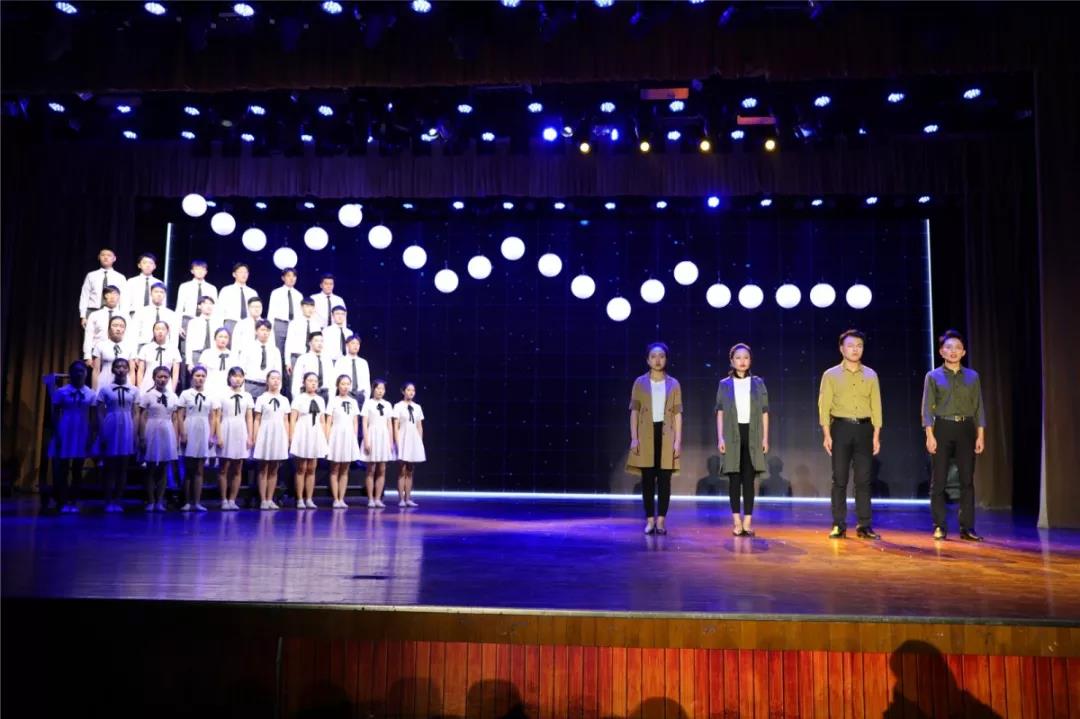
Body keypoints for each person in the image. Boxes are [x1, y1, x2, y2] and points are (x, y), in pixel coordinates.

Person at [921, 329, 987, 541]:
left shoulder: (972, 376)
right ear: (941, 351)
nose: (953, 351)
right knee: (939, 480)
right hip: (942, 427)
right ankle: (939, 526)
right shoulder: (933, 376)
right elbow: (927, 409)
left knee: (967, 480)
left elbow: (978, 407)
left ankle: (967, 528)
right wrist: (930, 435)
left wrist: (980, 434)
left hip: (966, 428)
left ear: (964, 352)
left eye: (958, 347)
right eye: (948, 347)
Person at [819, 329, 883, 539]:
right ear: (841, 349)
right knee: (839, 479)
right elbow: (824, 406)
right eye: (850, 346)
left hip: (864, 429)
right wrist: (827, 434)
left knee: (863, 480)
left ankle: (864, 525)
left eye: (859, 346)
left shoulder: (871, 375)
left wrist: (876, 435)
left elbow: (876, 407)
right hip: (841, 428)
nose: (855, 349)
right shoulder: (830, 375)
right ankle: (839, 524)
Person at [627, 343, 683, 535]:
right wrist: (634, 438)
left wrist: (677, 441)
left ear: (666, 359)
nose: (657, 360)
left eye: (661, 356)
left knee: (665, 480)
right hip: (646, 435)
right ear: (647, 360)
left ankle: (661, 521)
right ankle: (650, 520)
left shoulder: (674, 384)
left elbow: (677, 414)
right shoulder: (639, 382)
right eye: (653, 356)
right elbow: (634, 412)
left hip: (666, 435)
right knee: (648, 480)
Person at [715, 343, 769, 537]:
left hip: (752, 434)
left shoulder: (758, 383)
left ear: (750, 360)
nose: (742, 361)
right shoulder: (724, 384)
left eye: (746, 357)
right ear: (732, 361)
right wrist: (720, 437)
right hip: (732, 434)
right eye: (738, 358)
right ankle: (736, 521)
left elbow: (764, 412)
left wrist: (765, 438)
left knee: (749, 479)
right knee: (734, 479)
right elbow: (720, 412)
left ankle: (748, 522)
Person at [49, 360, 96, 513]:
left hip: (82, 429)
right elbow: (54, 414)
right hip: (65, 428)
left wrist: (91, 436)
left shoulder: (91, 393)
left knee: (77, 467)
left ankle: (74, 500)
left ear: (86, 373)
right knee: (62, 467)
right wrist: (57, 433)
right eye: (75, 370)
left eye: (82, 371)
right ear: (70, 373)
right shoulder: (61, 392)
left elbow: (93, 417)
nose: (79, 373)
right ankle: (62, 500)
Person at [93, 357, 139, 511]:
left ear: (128, 370)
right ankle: (108, 500)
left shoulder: (134, 390)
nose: (121, 369)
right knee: (110, 466)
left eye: (124, 367)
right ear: (113, 369)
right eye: (118, 367)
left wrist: (134, 433)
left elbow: (136, 413)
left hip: (126, 425)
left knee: (123, 466)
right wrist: (102, 431)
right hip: (111, 423)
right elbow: (99, 412)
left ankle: (118, 499)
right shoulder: (105, 389)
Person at [137, 366, 181, 512]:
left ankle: (159, 501)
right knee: (150, 467)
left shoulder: (173, 396)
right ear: (154, 378)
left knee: (163, 468)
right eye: (160, 377)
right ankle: (150, 500)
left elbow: (175, 418)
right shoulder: (148, 395)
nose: (162, 380)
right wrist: (142, 436)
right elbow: (143, 417)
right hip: (152, 429)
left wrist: (175, 437)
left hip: (167, 431)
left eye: (165, 377)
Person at [177, 365, 217, 512]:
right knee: (189, 468)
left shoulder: (210, 395)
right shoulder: (185, 394)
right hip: (190, 427)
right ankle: (187, 501)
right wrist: (183, 433)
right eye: (197, 375)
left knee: (200, 468)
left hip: (204, 429)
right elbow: (180, 415)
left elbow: (212, 417)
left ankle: (197, 502)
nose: (200, 378)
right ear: (192, 377)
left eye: (202, 376)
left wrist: (211, 435)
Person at [252, 370, 291, 510]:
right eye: (273, 378)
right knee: (264, 467)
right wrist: (255, 436)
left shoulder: (284, 400)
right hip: (265, 432)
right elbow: (257, 419)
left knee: (274, 468)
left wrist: (288, 438)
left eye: (278, 378)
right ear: (267, 380)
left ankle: (270, 499)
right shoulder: (262, 398)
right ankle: (263, 499)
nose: (275, 381)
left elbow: (286, 420)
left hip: (279, 433)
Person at [217, 367, 254, 510]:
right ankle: (223, 500)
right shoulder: (222, 394)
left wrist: (250, 436)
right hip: (226, 427)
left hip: (241, 429)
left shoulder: (247, 396)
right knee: (224, 467)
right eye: (234, 376)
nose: (237, 379)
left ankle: (232, 499)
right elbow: (217, 417)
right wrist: (218, 435)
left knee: (238, 467)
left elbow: (249, 417)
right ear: (229, 377)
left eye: (240, 376)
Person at [290, 372, 328, 509]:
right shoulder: (299, 398)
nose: (313, 383)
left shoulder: (320, 400)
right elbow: (293, 419)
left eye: (315, 381)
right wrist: (292, 436)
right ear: (304, 382)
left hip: (316, 433)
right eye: (310, 380)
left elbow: (322, 420)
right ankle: (300, 498)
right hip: (302, 433)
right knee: (301, 468)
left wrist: (324, 437)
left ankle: (309, 499)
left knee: (312, 468)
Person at [325, 375, 362, 508]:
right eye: (342, 384)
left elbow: (355, 422)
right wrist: (327, 439)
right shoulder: (333, 400)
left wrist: (354, 437)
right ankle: (335, 498)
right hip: (336, 435)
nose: (345, 387)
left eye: (347, 384)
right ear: (338, 385)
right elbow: (328, 422)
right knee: (335, 468)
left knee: (345, 469)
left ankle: (342, 498)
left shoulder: (353, 402)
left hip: (349, 436)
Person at [360, 380, 396, 509]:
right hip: (372, 435)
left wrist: (391, 442)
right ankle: (370, 498)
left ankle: (378, 498)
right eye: (378, 388)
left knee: (382, 469)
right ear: (373, 389)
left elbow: (389, 424)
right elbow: (364, 423)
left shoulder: (387, 405)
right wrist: (366, 440)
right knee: (371, 469)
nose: (380, 391)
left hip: (384, 437)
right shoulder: (368, 403)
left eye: (383, 389)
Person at [393, 381, 425, 509]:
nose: (411, 392)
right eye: (408, 390)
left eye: (413, 390)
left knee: (410, 471)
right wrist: (397, 442)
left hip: (413, 440)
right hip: (403, 438)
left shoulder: (417, 407)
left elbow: (419, 426)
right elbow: (396, 426)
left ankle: (408, 498)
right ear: (403, 391)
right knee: (402, 470)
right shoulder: (398, 406)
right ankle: (401, 499)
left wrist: (419, 442)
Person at [78, 247, 125, 328]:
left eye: (109, 255)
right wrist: (83, 316)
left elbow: (123, 298)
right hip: (93, 310)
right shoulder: (91, 275)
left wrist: (122, 314)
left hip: (113, 311)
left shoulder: (120, 277)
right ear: (99, 257)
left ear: (114, 258)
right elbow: (84, 296)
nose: (106, 257)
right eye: (103, 255)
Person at [239, 319, 282, 400]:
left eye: (267, 330)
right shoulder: (248, 348)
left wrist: (277, 390)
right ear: (256, 331)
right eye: (262, 330)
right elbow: (242, 369)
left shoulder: (275, 350)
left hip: (267, 387)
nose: (265, 333)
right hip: (250, 384)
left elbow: (278, 371)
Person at [266, 267, 304, 359]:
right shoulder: (276, 293)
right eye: (288, 276)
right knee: (278, 351)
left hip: (293, 325)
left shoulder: (299, 295)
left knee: (291, 351)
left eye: (294, 276)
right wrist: (269, 328)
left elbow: (300, 314)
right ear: (283, 278)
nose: (292, 278)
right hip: (280, 324)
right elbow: (271, 312)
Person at [174, 259, 218, 337]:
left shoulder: (212, 288)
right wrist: (177, 326)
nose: (200, 271)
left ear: (206, 272)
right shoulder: (184, 286)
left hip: (205, 321)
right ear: (192, 271)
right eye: (197, 269)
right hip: (188, 320)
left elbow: (215, 309)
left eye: (203, 269)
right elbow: (179, 308)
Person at [215, 262, 259, 340]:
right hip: (231, 323)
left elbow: (257, 311)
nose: (244, 275)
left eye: (246, 272)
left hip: (248, 324)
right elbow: (219, 311)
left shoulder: (252, 292)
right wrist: (220, 328)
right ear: (234, 274)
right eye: (241, 272)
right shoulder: (226, 290)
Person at [91, 316, 136, 390]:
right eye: (115, 325)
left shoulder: (130, 346)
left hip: (124, 383)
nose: (118, 329)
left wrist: (132, 390)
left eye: (121, 326)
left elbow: (132, 371)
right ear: (109, 328)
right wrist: (94, 390)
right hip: (105, 381)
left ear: (125, 329)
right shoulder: (100, 345)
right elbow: (96, 370)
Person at [135, 321, 181, 392]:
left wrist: (172, 390)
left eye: (163, 329)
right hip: (147, 384)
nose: (160, 331)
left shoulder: (173, 349)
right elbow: (140, 371)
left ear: (167, 331)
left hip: (166, 385)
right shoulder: (146, 348)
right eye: (157, 329)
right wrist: (140, 389)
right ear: (153, 331)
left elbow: (175, 373)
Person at [132, 282, 180, 351]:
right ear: (151, 293)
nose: (159, 294)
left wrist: (173, 352)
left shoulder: (172, 315)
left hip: (164, 348)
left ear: (165, 295)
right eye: (156, 292)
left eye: (161, 292)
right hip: (144, 346)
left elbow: (174, 338)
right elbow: (134, 334)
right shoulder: (141, 312)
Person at [82, 285, 123, 362]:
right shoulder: (94, 315)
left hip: (118, 351)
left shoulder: (124, 315)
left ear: (119, 297)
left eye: (115, 294)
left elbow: (129, 337)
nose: (112, 297)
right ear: (104, 296)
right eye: (108, 294)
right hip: (97, 353)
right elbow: (88, 336)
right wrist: (87, 356)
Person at [291, 331, 334, 400]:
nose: (320, 343)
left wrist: (331, 400)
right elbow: (296, 382)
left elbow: (332, 382)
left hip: (325, 394)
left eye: (321, 341)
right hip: (307, 394)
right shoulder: (303, 358)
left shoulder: (328, 360)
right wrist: (297, 400)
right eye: (316, 341)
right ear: (310, 343)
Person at [184, 296, 217, 371]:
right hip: (197, 354)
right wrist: (189, 362)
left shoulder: (217, 322)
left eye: (211, 304)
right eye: (205, 303)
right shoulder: (193, 322)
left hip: (212, 355)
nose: (208, 306)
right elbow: (189, 343)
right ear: (199, 306)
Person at [284, 298, 318, 372]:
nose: (310, 309)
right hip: (296, 357)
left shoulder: (316, 324)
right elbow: (288, 342)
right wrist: (287, 362)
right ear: (301, 307)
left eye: (312, 306)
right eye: (307, 306)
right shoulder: (294, 323)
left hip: (311, 358)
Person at [124, 253, 163, 317]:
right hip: (134, 314)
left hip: (152, 315)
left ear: (154, 266)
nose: (148, 265)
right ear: (139, 265)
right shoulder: (131, 281)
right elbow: (125, 302)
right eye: (145, 263)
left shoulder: (159, 283)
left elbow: (162, 303)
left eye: (151, 263)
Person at [335, 335, 370, 403]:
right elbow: (336, 380)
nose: (355, 346)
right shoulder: (340, 361)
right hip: (346, 394)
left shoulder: (363, 362)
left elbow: (367, 382)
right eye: (353, 343)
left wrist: (366, 398)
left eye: (357, 344)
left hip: (360, 395)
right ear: (347, 345)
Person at [204, 328, 235, 399]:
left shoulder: (232, 355)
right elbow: (202, 372)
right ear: (215, 338)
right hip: (209, 388)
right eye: (220, 336)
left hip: (226, 389)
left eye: (226, 337)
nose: (223, 339)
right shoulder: (207, 353)